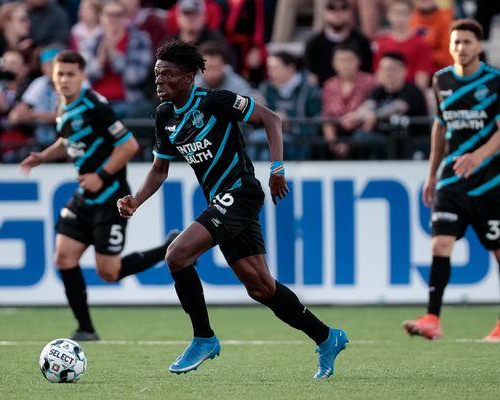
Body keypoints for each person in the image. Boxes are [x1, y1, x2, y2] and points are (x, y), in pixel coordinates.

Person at [117, 39, 348, 377]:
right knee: (260, 286)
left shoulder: (216, 101)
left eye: (166, 74)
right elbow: (159, 169)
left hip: (241, 191)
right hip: (220, 200)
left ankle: (203, 338)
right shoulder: (165, 116)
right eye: (156, 75)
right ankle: (327, 337)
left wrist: (277, 168)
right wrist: (135, 199)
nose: (159, 81)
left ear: (188, 76)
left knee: (176, 255)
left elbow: (270, 118)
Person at [20, 50, 178, 341]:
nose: (65, 79)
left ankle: (168, 248)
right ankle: (86, 328)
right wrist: (43, 156)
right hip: (85, 197)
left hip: (111, 198)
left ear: (82, 77)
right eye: (60, 74)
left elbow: (129, 146)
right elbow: (67, 139)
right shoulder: (63, 105)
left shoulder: (94, 104)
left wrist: (100, 176)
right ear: (52, 77)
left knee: (109, 272)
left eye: (70, 74)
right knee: (64, 258)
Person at [403, 19, 500, 341]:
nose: (460, 47)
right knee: (440, 243)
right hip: (452, 179)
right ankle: (432, 317)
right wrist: (431, 174)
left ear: (479, 47)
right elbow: (440, 127)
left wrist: (479, 156)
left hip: (490, 179)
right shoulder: (441, 80)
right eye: (456, 42)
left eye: (467, 42)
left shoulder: (495, 81)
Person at [344, 52, 428, 159]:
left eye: (391, 69)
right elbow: (368, 106)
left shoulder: (412, 91)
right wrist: (355, 115)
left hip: (412, 143)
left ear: (404, 71)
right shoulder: (378, 91)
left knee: (363, 137)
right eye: (383, 69)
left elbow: (397, 107)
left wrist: (375, 115)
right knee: (359, 137)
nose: (387, 73)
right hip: (386, 142)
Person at [87, 0, 154, 118]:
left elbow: (136, 77)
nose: (113, 19)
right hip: (96, 100)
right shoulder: (91, 41)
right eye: (109, 14)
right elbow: (84, 76)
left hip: (128, 101)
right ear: (101, 18)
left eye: (118, 15)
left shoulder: (140, 39)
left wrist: (115, 56)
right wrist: (99, 62)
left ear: (125, 17)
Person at [255, 52, 321, 161]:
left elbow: (316, 123)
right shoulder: (265, 88)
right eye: (269, 68)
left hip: (300, 141)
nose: (271, 73)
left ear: (290, 68)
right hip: (271, 138)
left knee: (259, 139)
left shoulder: (309, 90)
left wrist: (290, 125)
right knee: (260, 146)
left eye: (276, 68)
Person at [322, 43, 376, 160]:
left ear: (358, 61)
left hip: (362, 135)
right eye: (341, 60)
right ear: (334, 63)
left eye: (349, 60)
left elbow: (371, 116)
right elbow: (327, 118)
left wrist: (351, 144)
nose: (345, 65)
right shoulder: (329, 85)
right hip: (337, 133)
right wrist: (333, 143)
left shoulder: (371, 82)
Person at [305, 0, 372, 87]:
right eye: (331, 8)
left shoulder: (362, 42)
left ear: (350, 13)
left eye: (343, 8)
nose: (337, 13)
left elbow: (367, 72)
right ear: (324, 13)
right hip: (322, 93)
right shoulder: (313, 44)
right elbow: (312, 76)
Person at [372, 0, 433, 91]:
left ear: (411, 15)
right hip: (386, 94)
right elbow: (379, 77)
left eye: (403, 13)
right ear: (388, 15)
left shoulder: (421, 44)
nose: (399, 18)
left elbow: (421, 82)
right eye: (395, 12)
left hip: (410, 94)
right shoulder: (381, 43)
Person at [410, 0, 454, 71]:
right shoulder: (408, 17)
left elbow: (447, 56)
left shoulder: (446, 20)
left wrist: (422, 55)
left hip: (437, 72)